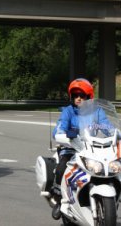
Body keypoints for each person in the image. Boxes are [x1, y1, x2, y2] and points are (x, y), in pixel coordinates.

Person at [50, 78, 94, 220]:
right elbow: (59, 129)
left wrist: (116, 136)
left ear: (89, 97)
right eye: (75, 95)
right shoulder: (68, 112)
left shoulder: (95, 112)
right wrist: (63, 135)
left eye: (82, 95)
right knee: (62, 168)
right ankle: (58, 200)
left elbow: (107, 127)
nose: (78, 98)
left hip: (91, 149)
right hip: (71, 149)